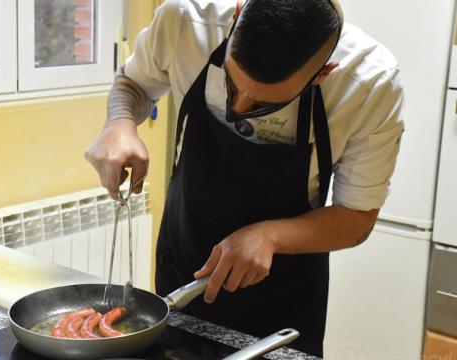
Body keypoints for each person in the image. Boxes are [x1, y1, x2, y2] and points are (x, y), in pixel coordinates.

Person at [85, 0, 404, 356]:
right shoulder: (186, 20)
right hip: (182, 273)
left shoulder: (370, 83)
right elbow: (133, 84)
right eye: (231, 84)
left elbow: (357, 219)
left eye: (265, 105)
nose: (238, 108)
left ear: (323, 73)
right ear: (236, 16)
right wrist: (119, 123)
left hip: (283, 304)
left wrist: (271, 236)